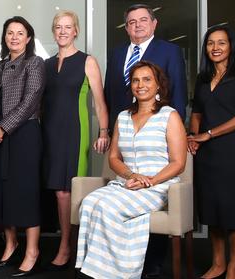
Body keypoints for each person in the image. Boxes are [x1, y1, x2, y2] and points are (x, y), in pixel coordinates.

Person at [75, 61, 187, 279]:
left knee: (108, 207)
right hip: (126, 183)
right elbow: (114, 158)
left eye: (147, 80)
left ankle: (113, 274)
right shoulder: (123, 117)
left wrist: (149, 181)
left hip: (158, 186)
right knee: (89, 203)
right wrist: (131, 175)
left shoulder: (169, 115)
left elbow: (178, 163)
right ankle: (89, 268)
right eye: (136, 80)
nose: (140, 85)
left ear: (158, 86)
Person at [103, 5, 187, 277]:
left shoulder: (169, 51)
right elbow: (109, 96)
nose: (137, 25)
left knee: (149, 195)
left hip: (157, 138)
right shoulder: (116, 54)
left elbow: (179, 95)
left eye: (142, 21)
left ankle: (152, 262)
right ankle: (118, 260)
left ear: (154, 24)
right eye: (131, 22)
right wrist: (107, 131)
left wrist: (174, 132)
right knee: (124, 193)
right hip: (125, 133)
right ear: (125, 27)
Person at [41, 10, 109, 270]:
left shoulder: (87, 61)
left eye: (68, 27)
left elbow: (100, 104)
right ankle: (70, 242)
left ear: (76, 31)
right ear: (54, 31)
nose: (62, 31)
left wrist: (103, 132)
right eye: (58, 26)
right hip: (49, 132)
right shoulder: (46, 64)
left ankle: (67, 245)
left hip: (75, 131)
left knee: (67, 191)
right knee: (58, 190)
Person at [0, 16, 44, 277]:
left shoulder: (34, 63)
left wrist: (2, 128)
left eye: (20, 33)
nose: (15, 37)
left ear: (28, 38)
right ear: (5, 37)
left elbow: (30, 101)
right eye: (10, 33)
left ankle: (32, 251)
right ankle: (10, 244)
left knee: (26, 192)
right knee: (3, 190)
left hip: (25, 135)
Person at [188, 25, 235, 279]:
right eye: (210, 43)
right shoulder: (203, 79)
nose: (215, 48)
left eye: (221, 43)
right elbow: (196, 112)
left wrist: (208, 134)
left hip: (231, 152)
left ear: (231, 46)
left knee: (232, 210)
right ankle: (218, 263)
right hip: (206, 155)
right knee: (212, 209)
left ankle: (234, 267)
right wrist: (194, 138)